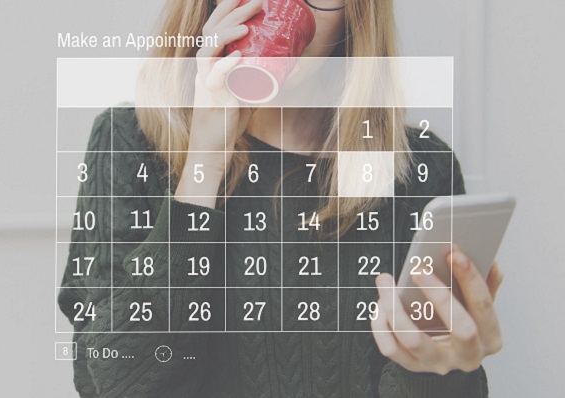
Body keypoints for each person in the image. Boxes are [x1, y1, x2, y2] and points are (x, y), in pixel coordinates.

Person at [59, 0, 504, 396]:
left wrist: (432, 371)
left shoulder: (419, 172)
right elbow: (112, 385)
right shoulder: (128, 142)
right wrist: (203, 163)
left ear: (358, 9)